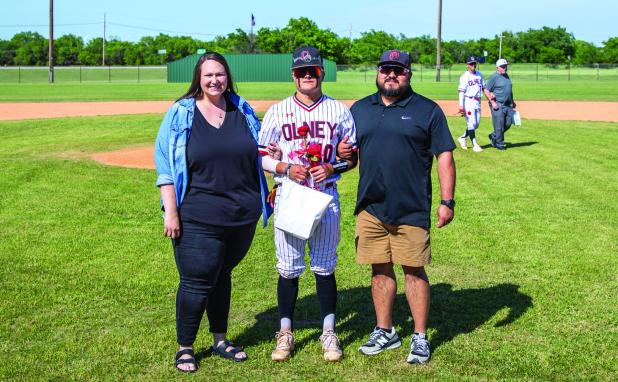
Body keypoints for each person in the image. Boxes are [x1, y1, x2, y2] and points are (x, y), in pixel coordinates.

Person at [154, 52, 276, 372]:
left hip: (242, 216)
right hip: (198, 215)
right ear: (199, 77)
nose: (214, 81)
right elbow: (165, 166)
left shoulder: (242, 108)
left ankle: (220, 339)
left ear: (227, 76)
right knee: (197, 281)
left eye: (219, 74)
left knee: (222, 275)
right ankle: (185, 347)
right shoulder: (181, 113)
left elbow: (260, 151)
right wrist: (171, 211)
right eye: (208, 75)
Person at [340, 49, 456, 364]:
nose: (392, 75)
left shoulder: (427, 110)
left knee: (414, 270)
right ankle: (385, 330)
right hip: (371, 206)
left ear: (408, 73)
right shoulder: (360, 110)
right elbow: (350, 160)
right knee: (379, 268)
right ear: (378, 72)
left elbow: (444, 155)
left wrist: (447, 201)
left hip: (411, 207)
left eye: (399, 70)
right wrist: (342, 156)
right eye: (386, 69)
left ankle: (419, 336)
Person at [258, 46, 358, 362]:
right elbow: (260, 157)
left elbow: (352, 157)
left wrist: (333, 167)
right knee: (288, 270)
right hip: (290, 196)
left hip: (326, 196)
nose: (306, 76)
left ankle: (329, 332)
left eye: (312, 71)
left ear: (321, 73)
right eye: (301, 71)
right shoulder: (277, 111)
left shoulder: (339, 112)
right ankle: (285, 332)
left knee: (325, 267)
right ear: (293, 75)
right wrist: (285, 167)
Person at [484, 58, 517, 151]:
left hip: (508, 104)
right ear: (497, 68)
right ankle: (499, 144)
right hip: (498, 104)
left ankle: (494, 136)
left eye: (505, 66)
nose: (505, 68)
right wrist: (493, 102)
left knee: (508, 123)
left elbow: (509, 89)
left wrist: (512, 101)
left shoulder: (506, 76)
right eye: (502, 66)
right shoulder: (494, 77)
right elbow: (486, 90)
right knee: (499, 125)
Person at [457, 55, 486, 152]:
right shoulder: (464, 77)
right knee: (471, 123)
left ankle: (462, 137)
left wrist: (490, 98)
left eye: (474, 63)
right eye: (471, 63)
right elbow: (461, 92)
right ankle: (475, 144)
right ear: (467, 65)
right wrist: (461, 105)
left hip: (478, 101)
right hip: (468, 101)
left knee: (476, 124)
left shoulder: (480, 75)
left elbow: (484, 88)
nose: (473, 65)